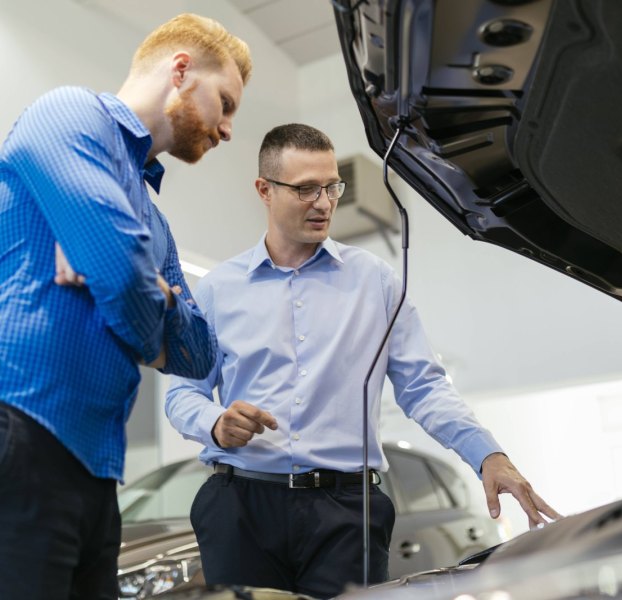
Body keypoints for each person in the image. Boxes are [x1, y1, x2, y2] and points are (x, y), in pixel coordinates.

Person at [166, 123, 562, 599]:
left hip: (347, 511)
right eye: (306, 189)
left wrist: (488, 455)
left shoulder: (375, 282)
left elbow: (423, 386)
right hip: (240, 505)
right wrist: (215, 423)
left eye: (332, 186)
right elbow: (182, 392)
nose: (324, 202)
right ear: (264, 191)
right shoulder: (215, 290)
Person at [0, 13, 251, 600]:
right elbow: (130, 294)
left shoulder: (152, 216)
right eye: (226, 102)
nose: (229, 129)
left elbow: (197, 354)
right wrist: (137, 286)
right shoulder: (68, 115)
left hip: (96, 469)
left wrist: (136, 278)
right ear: (182, 70)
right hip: (22, 432)